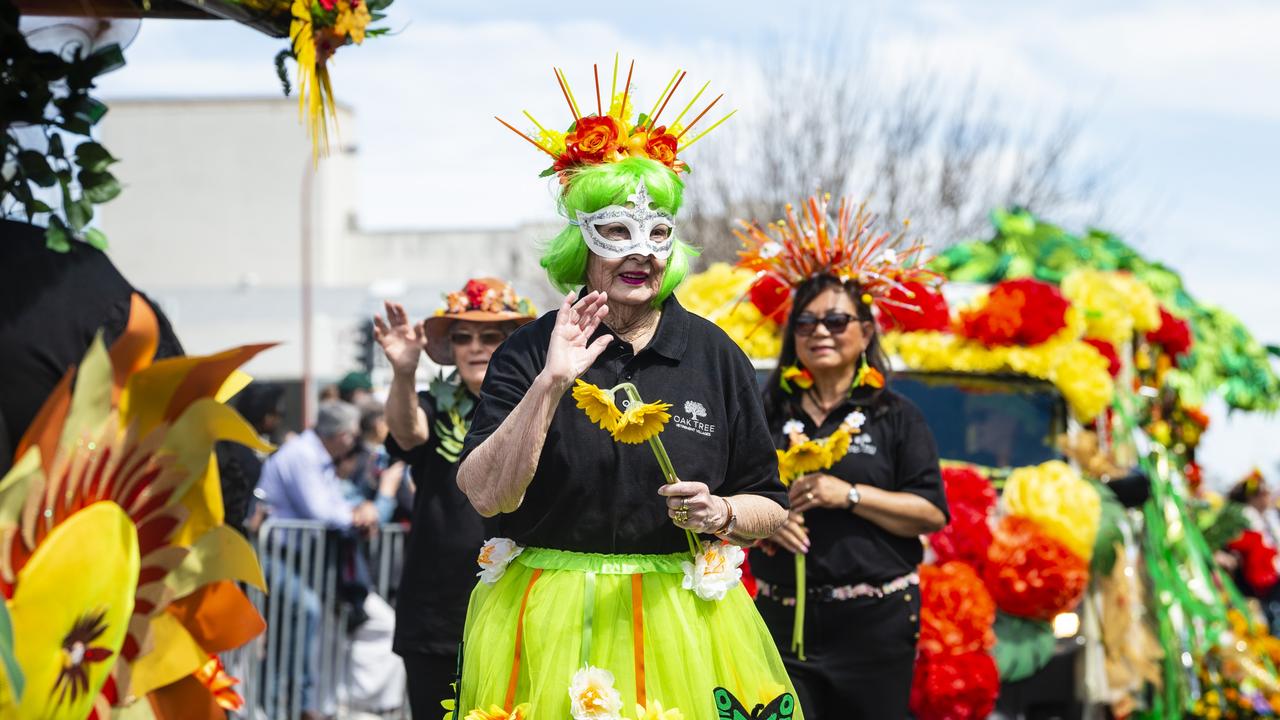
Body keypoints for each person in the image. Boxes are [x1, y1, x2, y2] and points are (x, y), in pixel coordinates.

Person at [451, 61, 801, 719]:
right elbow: (486, 493)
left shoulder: (715, 354)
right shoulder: (530, 350)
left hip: (685, 623)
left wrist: (723, 514)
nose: (640, 253)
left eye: (658, 234)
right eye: (616, 232)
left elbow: (771, 507)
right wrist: (551, 383)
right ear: (578, 247)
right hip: (548, 618)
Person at [737, 196, 949, 719]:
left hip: (876, 624)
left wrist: (848, 494)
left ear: (866, 331)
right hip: (781, 622)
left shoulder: (895, 415)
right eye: (805, 323)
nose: (820, 333)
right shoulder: (764, 409)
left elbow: (930, 512)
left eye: (836, 321)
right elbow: (727, 490)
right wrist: (766, 520)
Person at [372, 277, 536, 717]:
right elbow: (408, 433)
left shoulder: (543, 407)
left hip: (522, 609)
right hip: (437, 614)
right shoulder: (432, 404)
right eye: (462, 337)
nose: (475, 347)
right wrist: (404, 371)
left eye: (490, 336)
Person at [258, 401, 406, 717]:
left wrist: (359, 513)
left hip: (300, 558)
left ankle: (302, 705)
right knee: (297, 624)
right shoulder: (302, 455)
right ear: (341, 435)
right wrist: (359, 515)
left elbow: (334, 505)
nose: (353, 442)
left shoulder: (316, 456)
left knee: (303, 628)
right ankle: (284, 707)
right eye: (352, 435)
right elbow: (322, 511)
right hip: (280, 555)